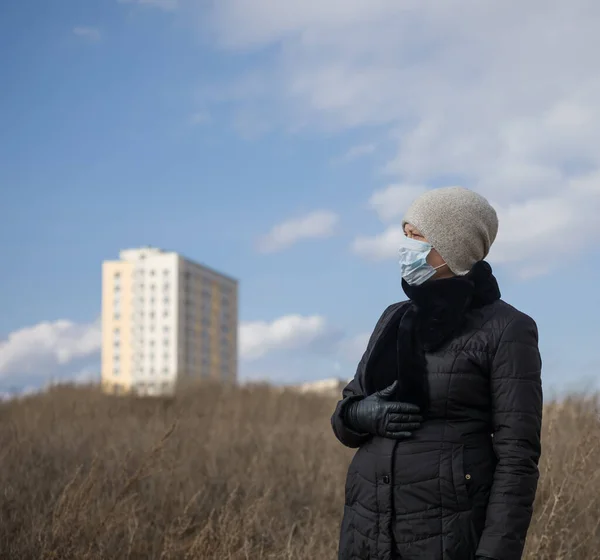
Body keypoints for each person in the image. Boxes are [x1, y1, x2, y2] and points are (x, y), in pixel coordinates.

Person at [331, 187, 543, 560]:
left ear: (454, 246)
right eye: (405, 236)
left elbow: (517, 458)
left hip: (445, 536)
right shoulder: (394, 317)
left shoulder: (508, 329)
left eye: (416, 237)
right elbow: (345, 417)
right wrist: (359, 414)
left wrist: (495, 553)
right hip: (366, 530)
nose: (405, 248)